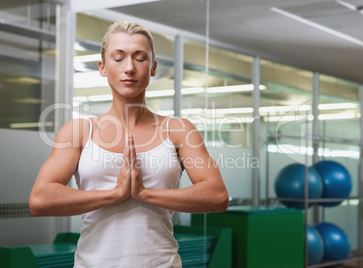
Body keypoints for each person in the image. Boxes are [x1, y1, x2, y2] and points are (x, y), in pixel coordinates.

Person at [29, 20, 228, 268]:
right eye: (118, 58)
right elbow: (40, 200)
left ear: (153, 67)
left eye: (140, 58)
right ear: (102, 67)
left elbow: (217, 196)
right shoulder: (80, 131)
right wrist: (114, 194)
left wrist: (144, 194)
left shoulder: (178, 130)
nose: (129, 68)